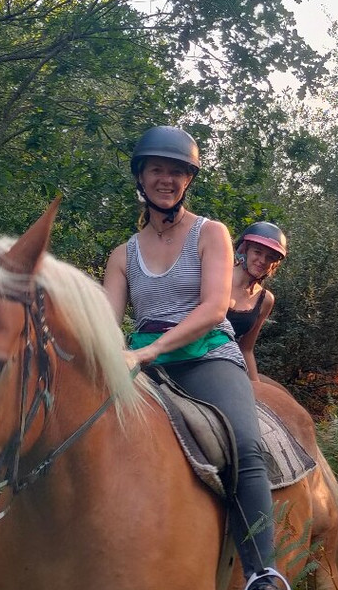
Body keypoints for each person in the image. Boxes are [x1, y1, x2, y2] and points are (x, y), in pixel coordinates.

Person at [103, 126, 289, 590]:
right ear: (141, 176)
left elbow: (212, 309)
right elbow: (106, 323)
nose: (166, 179)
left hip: (207, 356)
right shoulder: (122, 255)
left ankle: (261, 570)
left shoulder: (212, 233)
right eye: (157, 170)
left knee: (245, 445)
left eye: (177, 172)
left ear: (188, 180)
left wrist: (149, 350)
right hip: (143, 362)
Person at [228, 221, 287, 381]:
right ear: (244, 249)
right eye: (257, 252)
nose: (262, 260)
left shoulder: (265, 299)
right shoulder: (217, 275)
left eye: (270, 257)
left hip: (228, 360)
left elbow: (246, 348)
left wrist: (256, 384)